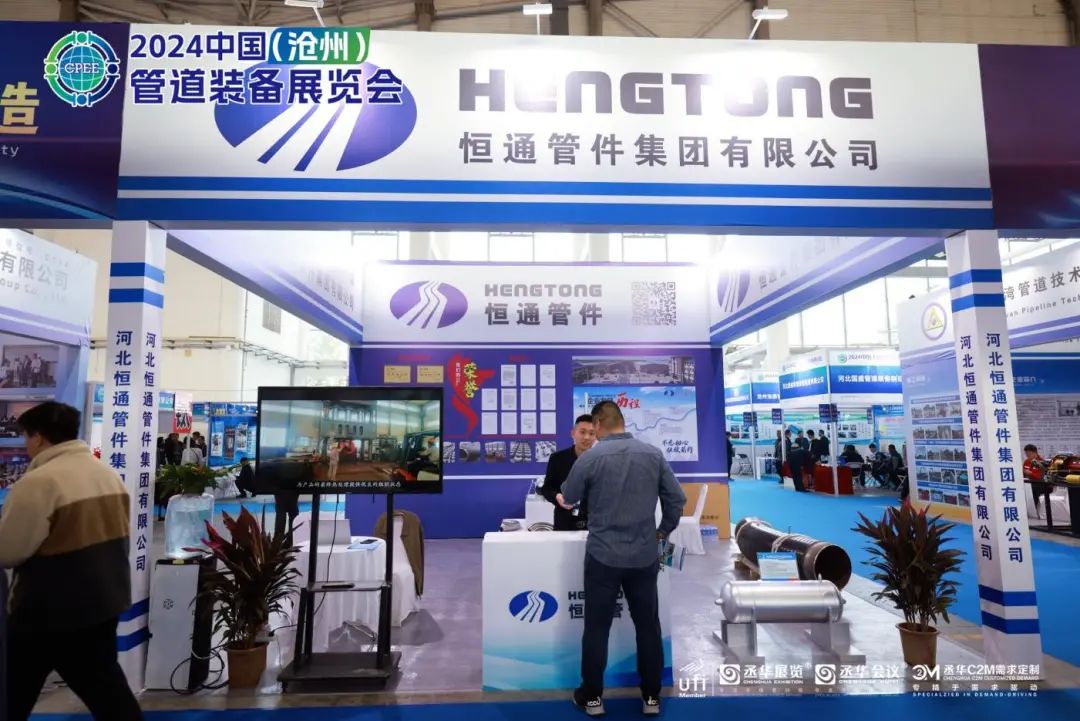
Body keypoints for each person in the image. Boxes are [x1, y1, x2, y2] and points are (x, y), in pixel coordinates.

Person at [0, 402, 143, 721]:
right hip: (104, 602)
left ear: (38, 437)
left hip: (47, 613)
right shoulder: (107, 474)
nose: (25, 444)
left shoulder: (39, 483)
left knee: (11, 695)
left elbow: (9, 551)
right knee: (110, 694)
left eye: (26, 436)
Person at [560, 401, 685, 716]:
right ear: (622, 421)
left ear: (598, 424)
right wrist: (662, 532)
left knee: (596, 628)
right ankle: (651, 697)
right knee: (648, 627)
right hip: (643, 556)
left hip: (602, 556)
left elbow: (569, 496)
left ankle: (592, 698)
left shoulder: (591, 458)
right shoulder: (652, 454)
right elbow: (676, 500)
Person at [540, 414, 595, 531]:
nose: (586, 437)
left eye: (591, 433)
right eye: (582, 432)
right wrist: (557, 496)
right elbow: (546, 488)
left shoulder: (601, 460)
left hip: (594, 523)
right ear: (573, 433)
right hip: (565, 522)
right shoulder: (557, 458)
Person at [1023, 444, 1051, 510]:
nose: (1027, 456)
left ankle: (1033, 509)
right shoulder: (1026, 462)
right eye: (1026, 454)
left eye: (1029, 454)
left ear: (1035, 452)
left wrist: (1031, 474)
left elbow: (1041, 477)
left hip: (1040, 484)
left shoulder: (1042, 462)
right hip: (1028, 483)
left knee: (1033, 490)